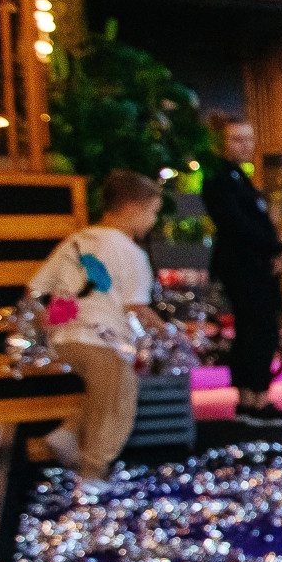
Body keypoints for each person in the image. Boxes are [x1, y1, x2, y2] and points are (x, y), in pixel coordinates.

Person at [30, 171, 168, 489]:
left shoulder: (76, 241)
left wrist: (44, 325)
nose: (153, 221)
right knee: (119, 401)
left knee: (101, 394)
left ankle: (65, 436)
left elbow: (35, 289)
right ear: (135, 207)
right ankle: (93, 473)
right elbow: (136, 309)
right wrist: (166, 332)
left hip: (65, 338)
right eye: (153, 212)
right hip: (104, 339)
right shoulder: (132, 253)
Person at [200, 112, 282, 427]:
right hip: (243, 265)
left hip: (252, 263)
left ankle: (251, 399)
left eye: (249, 138)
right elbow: (238, 225)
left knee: (254, 330)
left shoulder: (237, 176)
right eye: (237, 139)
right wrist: (277, 248)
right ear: (220, 143)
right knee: (259, 331)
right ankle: (256, 399)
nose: (245, 145)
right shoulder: (220, 177)